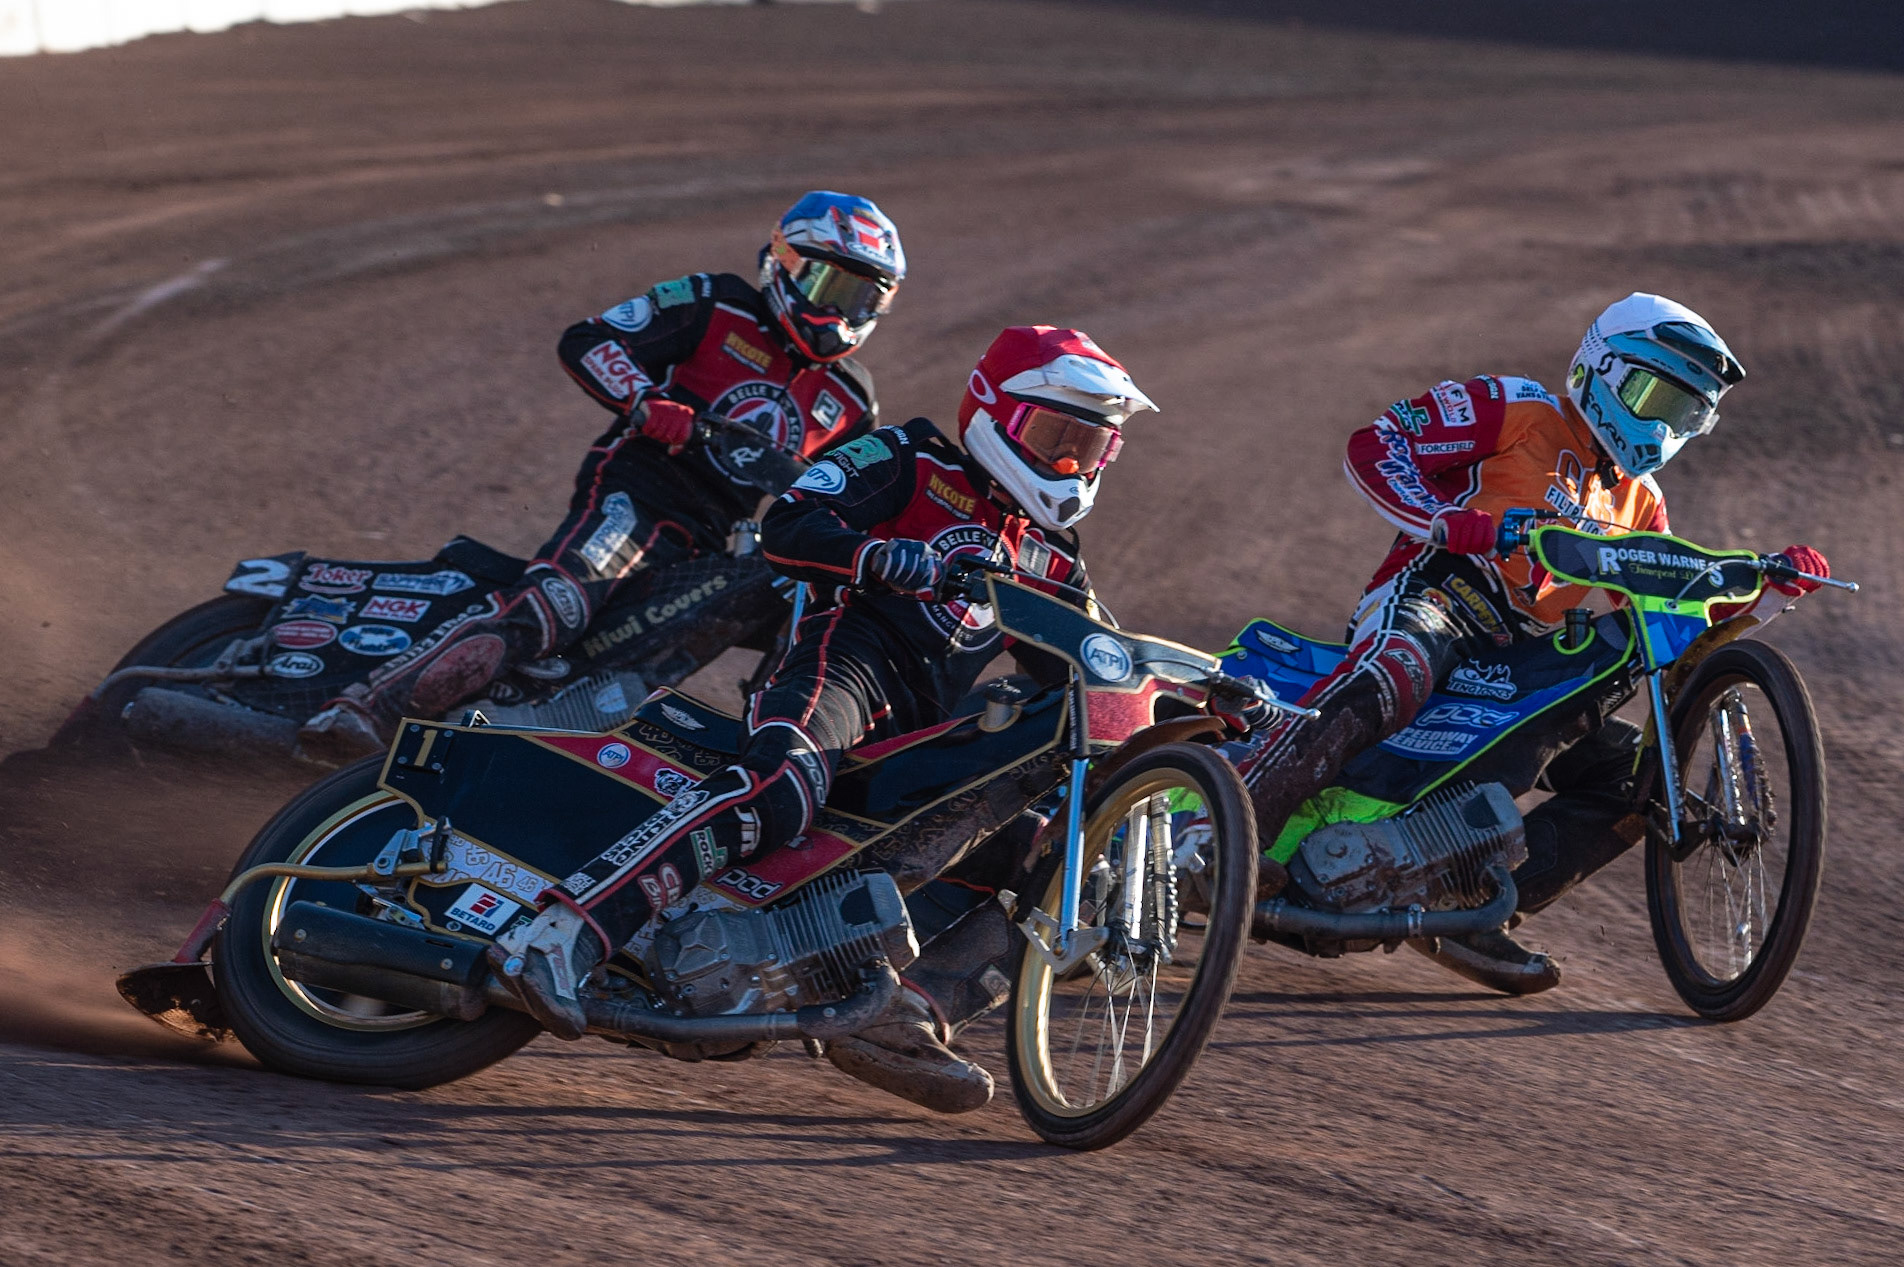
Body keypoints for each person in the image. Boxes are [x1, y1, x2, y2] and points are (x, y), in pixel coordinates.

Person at [486, 326, 1158, 1112]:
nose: (1069, 465)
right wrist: (881, 557)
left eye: (1090, 449)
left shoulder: (1052, 558)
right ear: (992, 412)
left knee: (1046, 856)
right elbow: (791, 522)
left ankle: (902, 1014)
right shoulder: (909, 456)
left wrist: (1205, 697)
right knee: (783, 785)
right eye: (1054, 438)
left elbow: (1100, 663)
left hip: (919, 737)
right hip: (839, 665)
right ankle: (562, 933)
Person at [1237, 293, 1830, 994]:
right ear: (1602, 367)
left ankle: (1468, 908)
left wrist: (1767, 588)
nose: (1664, 427)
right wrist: (1444, 519)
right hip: (1438, 594)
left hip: (1520, 647)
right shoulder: (1517, 406)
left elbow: (1671, 611)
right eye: (1655, 397)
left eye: (1685, 415)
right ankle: (1234, 833)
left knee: (1633, 781)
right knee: (1397, 673)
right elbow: (1378, 445)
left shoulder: (1641, 502)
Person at [299, 191, 905, 759]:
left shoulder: (853, 399)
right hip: (634, 494)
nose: (837, 312)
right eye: (829, 285)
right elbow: (591, 339)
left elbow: (846, 496)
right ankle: (364, 710)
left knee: (796, 621)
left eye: (860, 299)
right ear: (785, 263)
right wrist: (646, 404)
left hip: (709, 539)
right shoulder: (715, 301)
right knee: (556, 607)